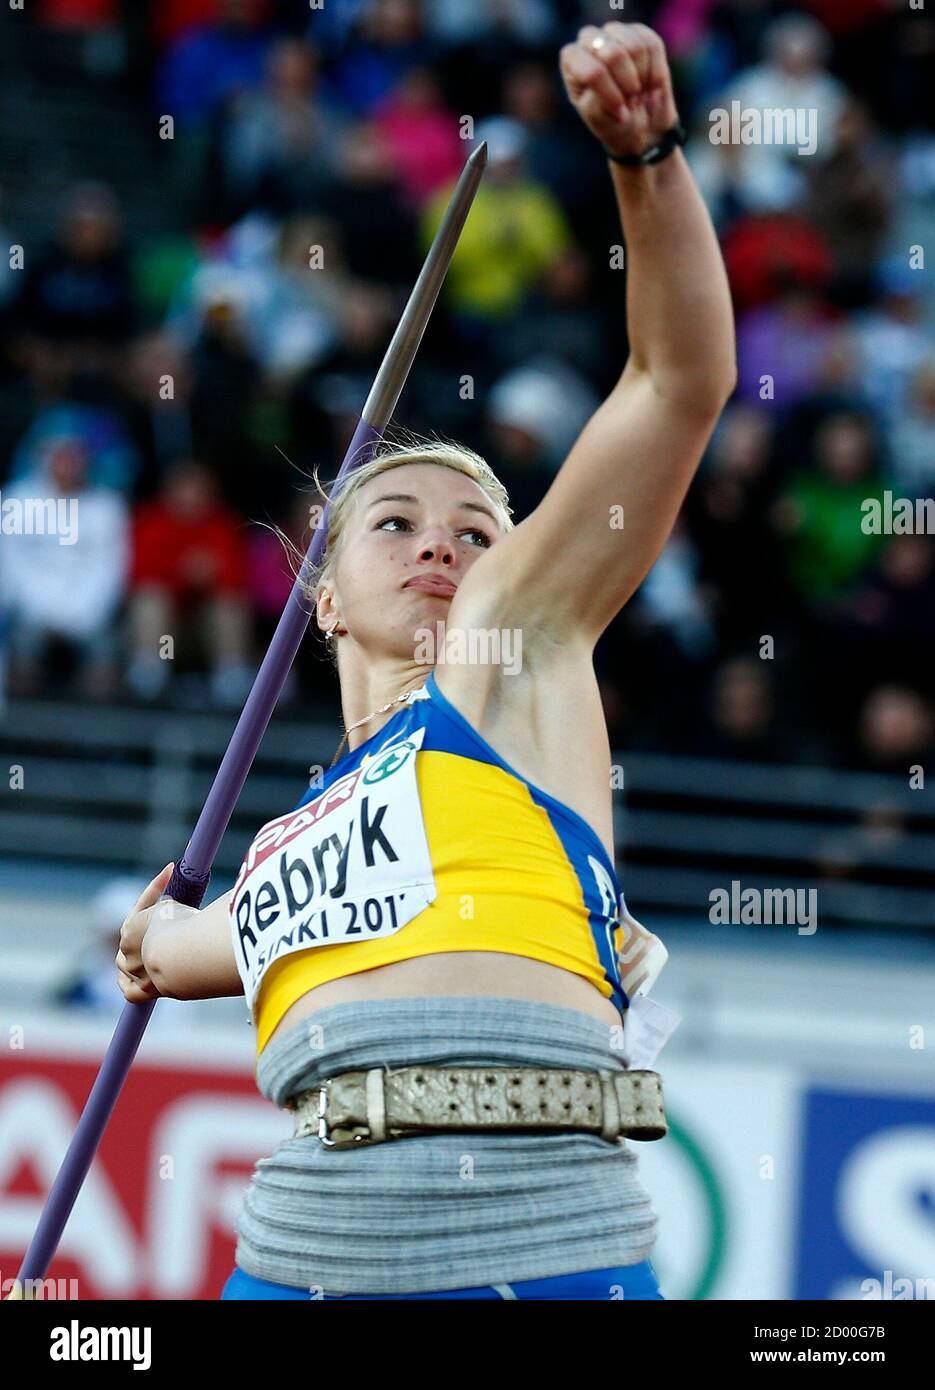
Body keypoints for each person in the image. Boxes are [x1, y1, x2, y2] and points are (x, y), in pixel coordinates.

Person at [115, 21, 736, 1300]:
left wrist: (648, 162)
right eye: (393, 524)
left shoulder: (517, 650)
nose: (444, 549)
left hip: (529, 1228)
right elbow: (178, 953)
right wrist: (147, 937)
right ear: (321, 598)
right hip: (297, 1249)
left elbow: (677, 383)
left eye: (478, 529)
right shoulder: (290, 848)